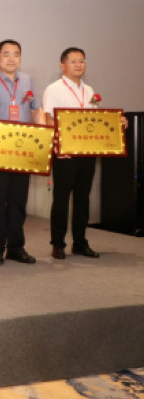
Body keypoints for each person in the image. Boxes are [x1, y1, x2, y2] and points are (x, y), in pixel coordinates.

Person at [42, 47, 126, 260]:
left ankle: (80, 242)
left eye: (82, 61)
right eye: (73, 61)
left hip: (87, 153)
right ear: (63, 65)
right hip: (65, 154)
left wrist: (117, 124)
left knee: (82, 199)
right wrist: (57, 147)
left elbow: (96, 122)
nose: (78, 64)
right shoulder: (54, 89)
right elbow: (49, 120)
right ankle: (58, 243)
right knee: (61, 199)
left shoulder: (89, 90)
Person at [0, 39, 43, 266]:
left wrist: (43, 142)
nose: (11, 59)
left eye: (16, 54)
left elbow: (36, 111)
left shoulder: (28, 81)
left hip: (23, 152)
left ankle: (16, 247)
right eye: (6, 54)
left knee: (18, 202)